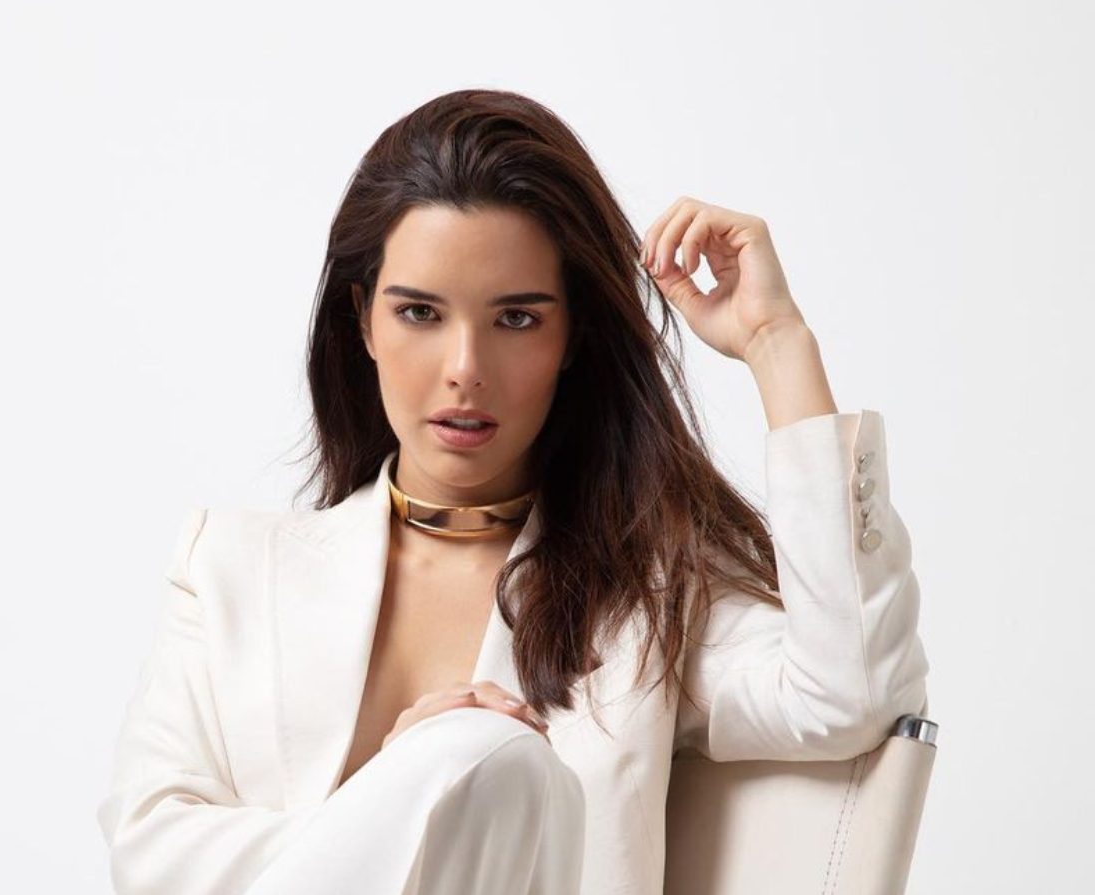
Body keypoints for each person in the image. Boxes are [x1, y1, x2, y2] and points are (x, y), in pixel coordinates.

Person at [95, 88, 930, 895]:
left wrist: (777, 342)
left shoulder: (647, 599)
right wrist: (406, 786)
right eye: (420, 313)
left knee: (491, 756)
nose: (465, 368)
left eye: (517, 318)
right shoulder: (233, 570)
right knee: (476, 754)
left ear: (572, 338)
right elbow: (150, 857)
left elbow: (852, 690)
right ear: (363, 321)